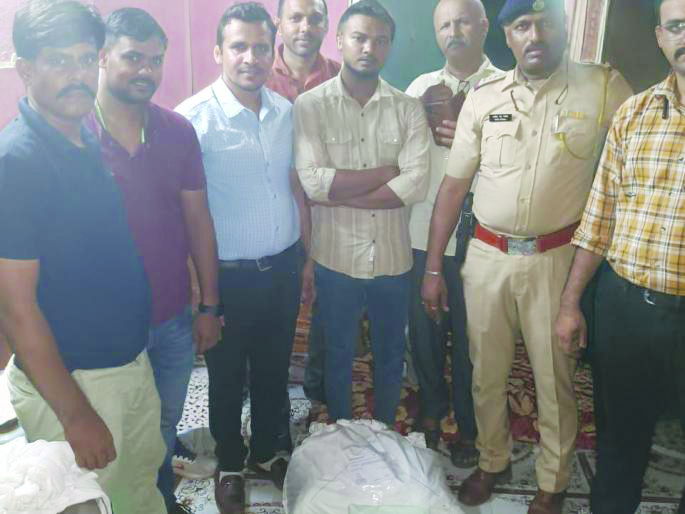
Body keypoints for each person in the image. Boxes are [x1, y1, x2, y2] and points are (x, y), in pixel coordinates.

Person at [421, 1, 632, 512]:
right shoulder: (485, 97)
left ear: (563, 29)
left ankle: (552, 483)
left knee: (554, 379)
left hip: (556, 261)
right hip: (486, 258)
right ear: (507, 36)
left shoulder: (603, 88)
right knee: (485, 373)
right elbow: (453, 187)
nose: (534, 35)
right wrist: (433, 267)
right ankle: (492, 461)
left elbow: (631, 169)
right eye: (522, 26)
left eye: (545, 24)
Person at [0, 2, 166, 513]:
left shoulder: (82, 138)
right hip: (77, 385)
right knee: (93, 501)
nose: (77, 75)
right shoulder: (17, 162)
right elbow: (15, 308)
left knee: (138, 491)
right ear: (26, 68)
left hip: (127, 366)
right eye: (58, 61)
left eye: (85, 59)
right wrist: (76, 415)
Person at [175, 3, 310, 513]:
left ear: (272, 52)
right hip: (225, 279)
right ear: (218, 52)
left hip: (281, 269)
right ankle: (230, 462)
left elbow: (294, 186)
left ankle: (269, 451)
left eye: (260, 47)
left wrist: (306, 260)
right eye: (238, 47)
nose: (250, 57)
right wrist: (199, 290)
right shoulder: (193, 119)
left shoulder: (285, 112)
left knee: (275, 371)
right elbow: (182, 212)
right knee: (227, 377)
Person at [555, 0, 685, 511]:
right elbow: (599, 219)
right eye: (676, 26)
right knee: (619, 444)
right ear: (660, 37)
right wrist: (571, 303)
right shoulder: (633, 114)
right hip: (627, 311)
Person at [91, 8, 221, 513]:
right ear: (103, 57)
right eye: (133, 57)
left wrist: (209, 306)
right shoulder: (74, 134)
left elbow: (198, 221)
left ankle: (160, 499)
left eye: (155, 59)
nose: (146, 69)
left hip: (172, 319)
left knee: (164, 424)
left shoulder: (177, 131)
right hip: (104, 327)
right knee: (114, 432)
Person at [294, 0, 430, 427]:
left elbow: (415, 185)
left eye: (380, 40)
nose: (369, 47)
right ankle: (342, 434)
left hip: (392, 260)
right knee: (337, 353)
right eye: (359, 37)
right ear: (339, 40)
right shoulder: (310, 106)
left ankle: (384, 431)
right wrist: (385, 174)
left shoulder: (408, 108)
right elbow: (313, 183)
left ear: (389, 46)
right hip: (336, 258)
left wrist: (339, 194)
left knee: (391, 353)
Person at [404, 0, 500, 467]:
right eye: (444, 25)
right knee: (425, 332)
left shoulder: (508, 89)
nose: (453, 31)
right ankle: (431, 407)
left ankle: (468, 423)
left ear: (483, 26)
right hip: (423, 233)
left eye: (463, 22)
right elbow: (401, 156)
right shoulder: (418, 88)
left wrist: (471, 136)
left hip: (483, 237)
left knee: (471, 339)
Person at [268, 0, 340, 454]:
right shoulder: (257, 74)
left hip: (326, 215)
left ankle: (319, 399)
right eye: (295, 16)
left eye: (315, 17)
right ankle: (268, 404)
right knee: (271, 317)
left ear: (327, 24)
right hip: (271, 217)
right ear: (279, 22)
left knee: (326, 314)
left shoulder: (341, 77)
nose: (305, 26)